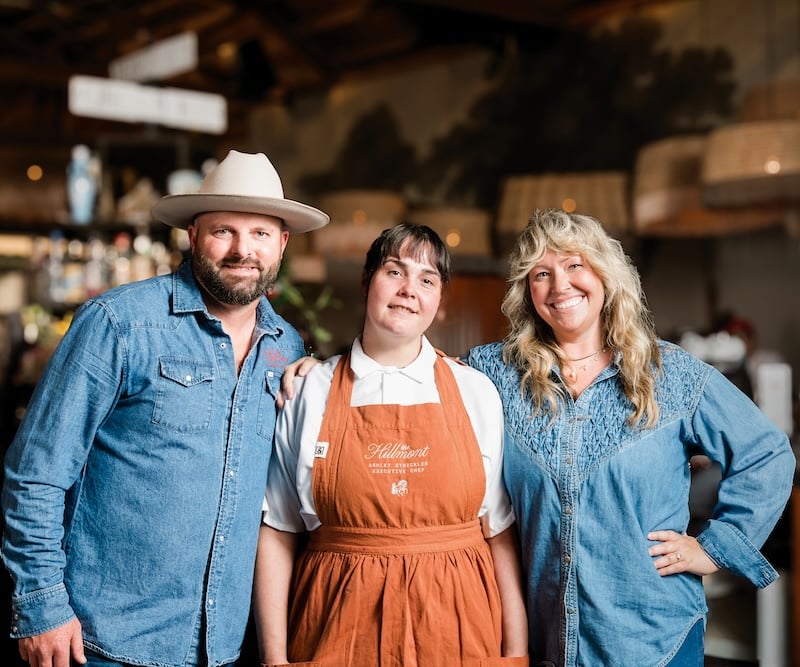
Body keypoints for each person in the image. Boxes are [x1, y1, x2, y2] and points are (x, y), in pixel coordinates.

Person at [1, 149, 329, 667]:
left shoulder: (287, 347)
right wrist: (42, 607)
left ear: (282, 244)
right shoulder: (119, 323)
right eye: (224, 231)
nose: (243, 250)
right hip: (100, 643)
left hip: (220, 648)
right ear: (193, 235)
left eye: (261, 234)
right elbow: (35, 474)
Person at [464, 208, 795, 666]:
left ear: (604, 274)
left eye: (575, 265)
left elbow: (766, 453)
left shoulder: (669, 372)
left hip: (654, 640)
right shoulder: (494, 372)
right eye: (542, 273)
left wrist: (713, 549)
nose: (560, 285)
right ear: (527, 292)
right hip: (544, 640)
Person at [253, 223, 528, 666]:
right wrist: (275, 660)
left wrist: (515, 655)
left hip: (459, 631)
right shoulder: (309, 390)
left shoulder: (476, 391)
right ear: (367, 283)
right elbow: (279, 532)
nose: (408, 290)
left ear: (440, 302)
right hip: (336, 631)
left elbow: (499, 534)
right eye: (394, 272)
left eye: (427, 279)